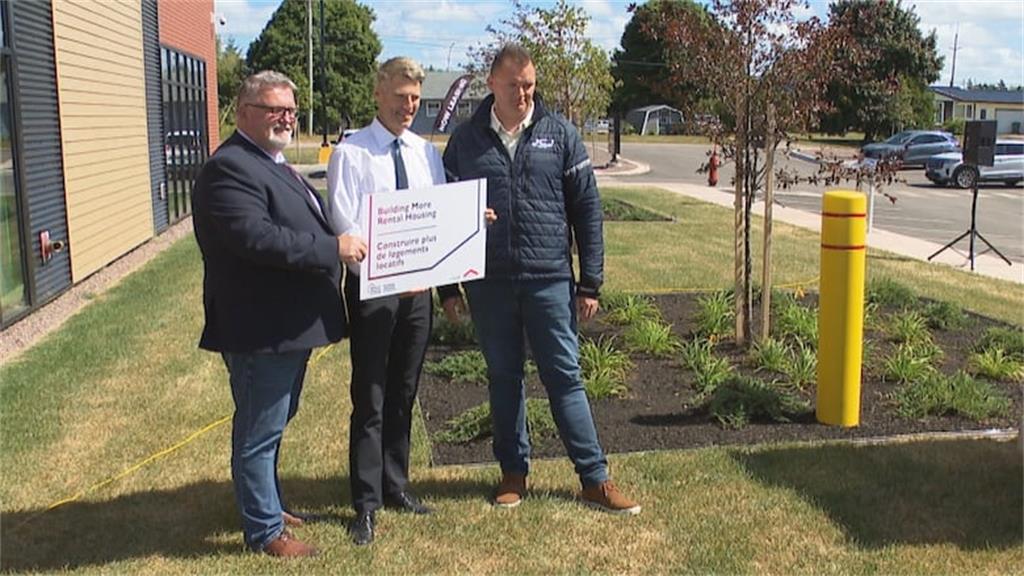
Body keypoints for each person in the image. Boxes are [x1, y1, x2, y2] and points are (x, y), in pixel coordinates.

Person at [439, 44, 641, 515]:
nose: (523, 93)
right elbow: (444, 215)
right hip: (489, 282)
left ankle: (595, 479)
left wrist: (590, 282)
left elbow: (587, 210)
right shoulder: (465, 141)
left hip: (549, 280)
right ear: (492, 83)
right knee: (504, 378)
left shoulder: (560, 134)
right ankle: (513, 474)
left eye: (529, 84)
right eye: (514, 85)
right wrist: (448, 288)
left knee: (565, 377)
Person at [192, 70, 362, 557]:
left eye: (291, 110)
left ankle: (265, 503)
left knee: (274, 421)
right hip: (260, 327)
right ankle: (265, 531)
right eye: (275, 109)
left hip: (288, 325)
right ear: (245, 112)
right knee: (258, 431)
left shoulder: (272, 162)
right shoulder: (230, 168)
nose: (287, 118)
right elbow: (258, 238)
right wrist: (333, 248)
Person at [326, 57, 443, 546]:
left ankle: (396, 485)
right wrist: (389, 271)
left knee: (404, 392)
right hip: (374, 293)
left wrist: (466, 223)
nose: (408, 106)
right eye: (400, 97)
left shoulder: (427, 153)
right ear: (378, 94)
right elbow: (344, 225)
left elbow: (437, 215)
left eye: (414, 98)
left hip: (418, 297)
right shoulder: (351, 154)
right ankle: (366, 503)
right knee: (370, 396)